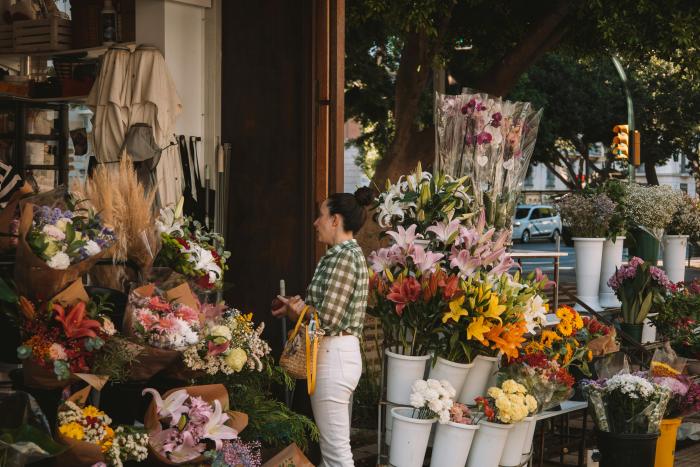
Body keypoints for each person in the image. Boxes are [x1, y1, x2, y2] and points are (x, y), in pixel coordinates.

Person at [272, 187, 373, 467]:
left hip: (334, 356)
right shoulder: (342, 255)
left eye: (321, 215)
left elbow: (327, 319)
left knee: (336, 454)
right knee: (333, 451)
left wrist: (298, 312)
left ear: (335, 220)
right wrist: (295, 308)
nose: (316, 222)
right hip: (334, 355)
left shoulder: (344, 257)